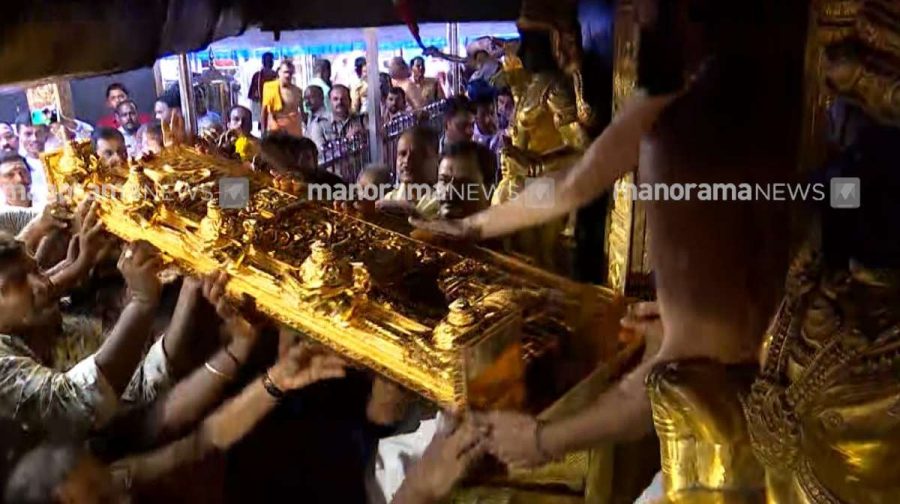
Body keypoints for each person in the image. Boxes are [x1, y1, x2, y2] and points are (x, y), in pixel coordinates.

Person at [4, 339, 348, 504]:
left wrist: (276, 381)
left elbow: (201, 443)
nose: (124, 498)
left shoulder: (114, 480)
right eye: (104, 500)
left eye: (108, 485)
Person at [377, 127, 440, 219]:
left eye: (417, 154)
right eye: (402, 154)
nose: (407, 160)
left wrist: (411, 214)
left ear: (436, 159)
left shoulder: (447, 202)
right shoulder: (390, 199)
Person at [306, 85, 365, 152]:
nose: (339, 102)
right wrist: (347, 141)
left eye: (343, 99)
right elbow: (322, 154)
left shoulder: (361, 120)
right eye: (335, 99)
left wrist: (363, 134)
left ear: (350, 101)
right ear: (329, 102)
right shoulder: (319, 124)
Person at [14, 114, 49, 209]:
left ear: (46, 133)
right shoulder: (17, 167)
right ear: (18, 134)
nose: (34, 138)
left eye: (39, 133)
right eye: (28, 134)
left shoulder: (60, 158)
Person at [261, 60, 303, 137]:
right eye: (285, 72)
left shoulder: (298, 91)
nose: (288, 75)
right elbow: (264, 111)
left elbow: (302, 112)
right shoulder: (269, 87)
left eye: (290, 73)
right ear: (279, 72)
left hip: (293, 132)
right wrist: (263, 132)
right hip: (276, 131)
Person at [248, 52, 278, 128]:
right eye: (267, 60)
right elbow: (252, 95)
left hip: (276, 111)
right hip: (261, 110)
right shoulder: (257, 76)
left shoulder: (277, 76)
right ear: (263, 62)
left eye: (270, 61)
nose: (269, 63)